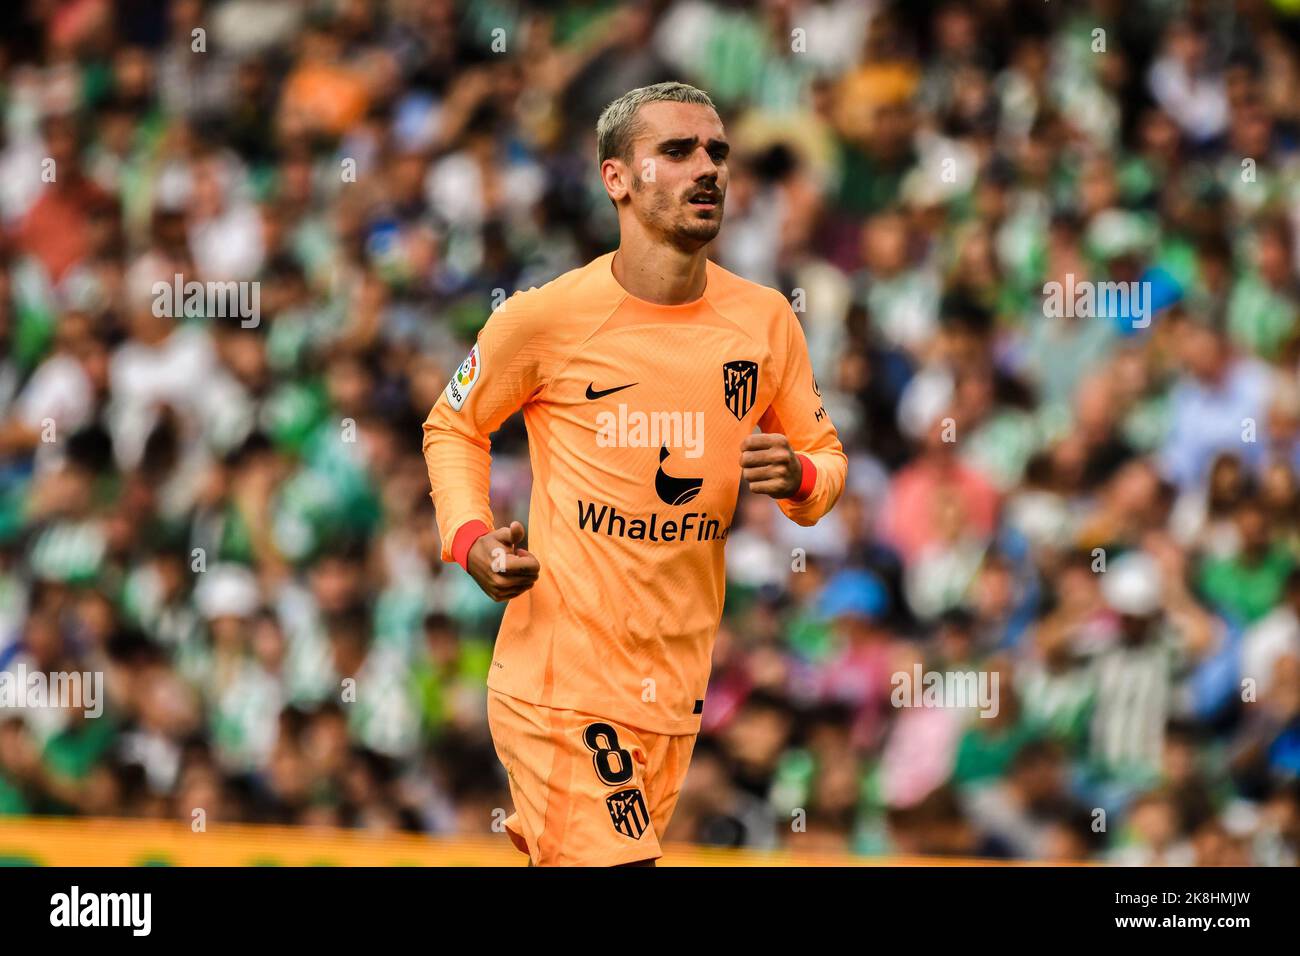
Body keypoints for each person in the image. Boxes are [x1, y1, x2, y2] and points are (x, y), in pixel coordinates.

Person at [421, 81, 846, 865]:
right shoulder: (544, 318)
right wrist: (471, 539)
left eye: (717, 152)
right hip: (561, 683)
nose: (708, 168)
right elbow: (454, 423)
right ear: (617, 178)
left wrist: (797, 478)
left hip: (675, 695)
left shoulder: (764, 321)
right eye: (677, 152)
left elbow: (826, 462)